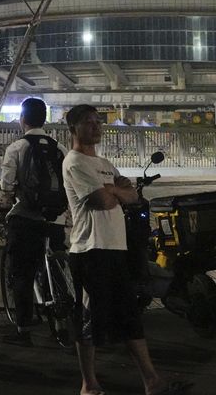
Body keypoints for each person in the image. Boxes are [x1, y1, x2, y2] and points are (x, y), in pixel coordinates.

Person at [63, 104, 190, 395]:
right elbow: (102, 201)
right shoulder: (74, 162)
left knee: (129, 314)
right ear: (74, 129)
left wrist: (115, 191)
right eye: (88, 122)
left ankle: (152, 381)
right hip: (90, 250)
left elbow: (131, 197)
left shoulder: (105, 164)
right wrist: (115, 192)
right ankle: (89, 385)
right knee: (89, 317)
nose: (96, 127)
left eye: (98, 121)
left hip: (116, 247)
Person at [0, 97, 67, 347]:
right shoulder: (59, 148)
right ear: (45, 119)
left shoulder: (17, 147)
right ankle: (61, 323)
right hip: (56, 218)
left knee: (22, 273)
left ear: (22, 120)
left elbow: (6, 187)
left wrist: (2, 204)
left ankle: (23, 329)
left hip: (26, 216)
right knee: (56, 269)